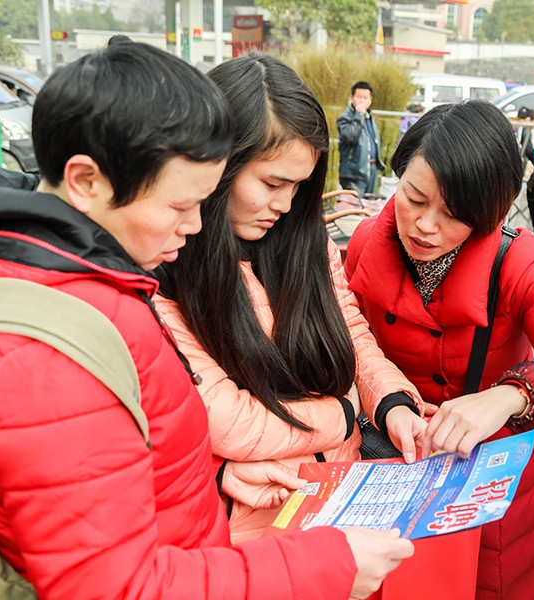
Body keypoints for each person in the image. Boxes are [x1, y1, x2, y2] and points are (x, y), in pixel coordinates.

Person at [0, 39, 412, 599]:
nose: (192, 228)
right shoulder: (47, 343)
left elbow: (143, 455)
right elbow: (115, 585)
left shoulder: (109, 285)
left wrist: (214, 474)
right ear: (87, 181)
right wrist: (323, 556)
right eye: (180, 206)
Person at [344, 100, 534, 600]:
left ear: (489, 213)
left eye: (454, 215)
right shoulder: (367, 240)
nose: (425, 226)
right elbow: (350, 340)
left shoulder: (517, 261)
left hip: (492, 482)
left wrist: (510, 396)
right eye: (413, 197)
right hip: (391, 467)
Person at [156, 53, 425, 544]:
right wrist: (343, 413)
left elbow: (350, 333)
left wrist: (389, 401)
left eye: (299, 187)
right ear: (217, 164)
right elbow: (225, 420)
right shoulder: (168, 262)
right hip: (251, 522)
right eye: (271, 183)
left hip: (338, 497)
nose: (284, 205)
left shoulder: (308, 243)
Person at [338, 81, 385, 197]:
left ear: (370, 100)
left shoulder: (370, 116)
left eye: (365, 98)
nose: (362, 101)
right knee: (355, 208)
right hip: (353, 174)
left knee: (369, 207)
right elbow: (350, 137)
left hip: (371, 170)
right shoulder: (345, 118)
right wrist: (358, 115)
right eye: (359, 97)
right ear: (352, 98)